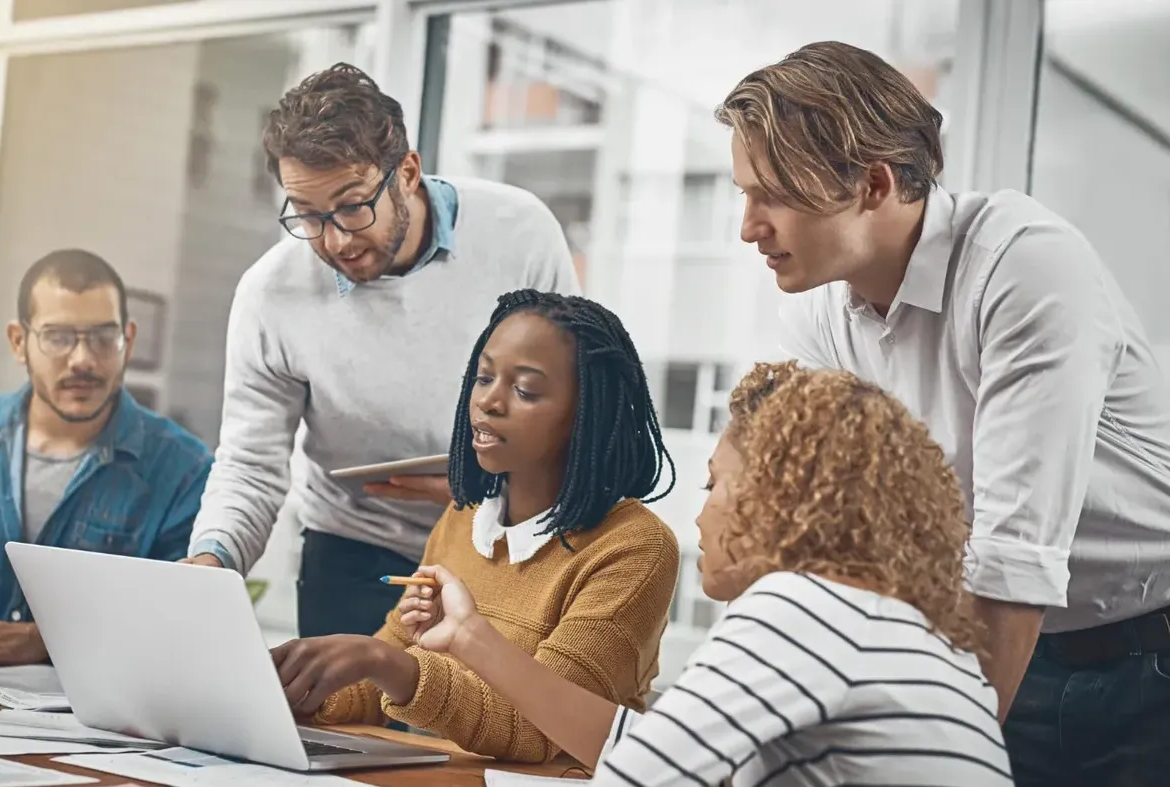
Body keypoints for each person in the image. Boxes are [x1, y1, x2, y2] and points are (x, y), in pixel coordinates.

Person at [716, 41, 1170, 784]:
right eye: (743, 192)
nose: (747, 227)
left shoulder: (1023, 264)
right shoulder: (820, 314)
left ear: (873, 183)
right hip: (989, 637)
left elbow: (1012, 558)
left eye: (772, 194)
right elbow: (838, 538)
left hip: (1143, 667)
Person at [400, 361, 1012, 786]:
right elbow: (642, 752)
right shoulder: (911, 633)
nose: (701, 512)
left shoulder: (799, 610)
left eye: (715, 483)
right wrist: (471, 639)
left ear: (779, 498)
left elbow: (639, 779)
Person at [183, 63, 580, 638]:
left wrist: (496, 484)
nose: (337, 239)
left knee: (489, 725)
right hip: (353, 551)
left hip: (506, 543)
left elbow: (579, 407)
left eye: (352, 206)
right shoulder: (270, 294)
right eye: (309, 216)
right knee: (343, 724)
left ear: (408, 173)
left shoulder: (520, 233)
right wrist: (210, 564)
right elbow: (251, 463)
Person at [269, 290, 679, 762]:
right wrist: (301, 691)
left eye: (524, 390)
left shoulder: (634, 548)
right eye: (484, 377)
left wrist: (386, 662)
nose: (488, 401)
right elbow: (388, 665)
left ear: (587, 415)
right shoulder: (465, 518)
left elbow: (541, 733)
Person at [0, 249, 212, 668]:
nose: (83, 359)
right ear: (18, 341)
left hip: (89, 721)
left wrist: (46, 639)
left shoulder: (184, 470)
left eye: (104, 338)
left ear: (129, 340)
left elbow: (179, 627)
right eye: (59, 337)